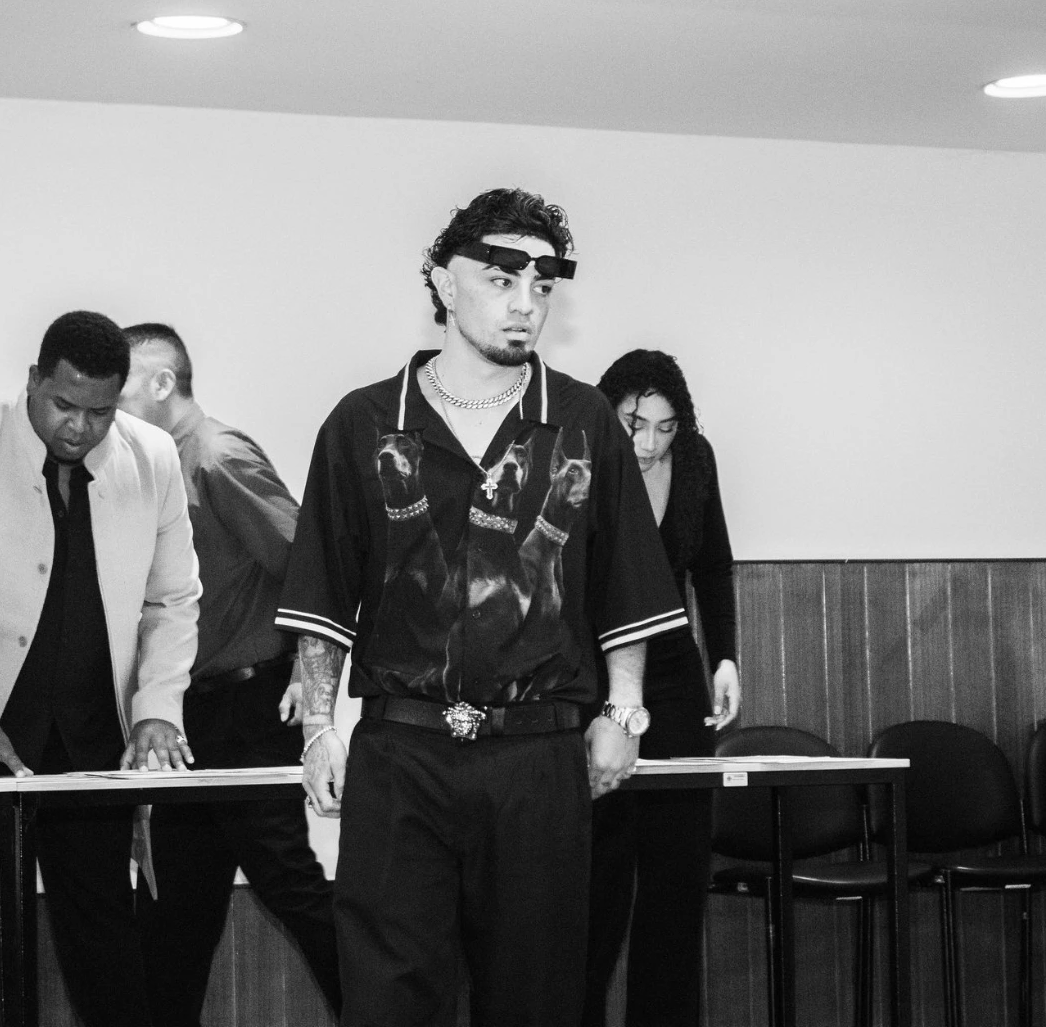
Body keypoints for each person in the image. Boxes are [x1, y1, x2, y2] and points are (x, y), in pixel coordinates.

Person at [276, 188, 690, 1027]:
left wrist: (624, 710)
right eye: (502, 280)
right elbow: (323, 594)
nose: (525, 304)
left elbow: (629, 584)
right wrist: (319, 727)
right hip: (402, 755)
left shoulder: (583, 423)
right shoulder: (363, 423)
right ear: (443, 282)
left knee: (537, 999)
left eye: (542, 287)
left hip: (539, 759)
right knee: (389, 1001)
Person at [0, 310, 201, 1027]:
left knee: (105, 942)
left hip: (93, 742)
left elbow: (173, 598)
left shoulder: (152, 455)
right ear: (33, 380)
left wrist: (158, 707)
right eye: (64, 404)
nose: (80, 427)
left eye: (101, 412)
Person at [117, 322, 342, 1025]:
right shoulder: (156, 465)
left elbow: (310, 565)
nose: (104, 408)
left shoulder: (216, 456)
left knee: (289, 884)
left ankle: (391, 1012)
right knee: (176, 908)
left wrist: (309, 671)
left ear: (162, 383)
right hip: (189, 717)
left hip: (247, 708)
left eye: (119, 388)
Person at [582, 349, 740, 1027]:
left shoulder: (696, 460)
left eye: (665, 428)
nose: (649, 443)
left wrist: (725, 658)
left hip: (675, 670)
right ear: (608, 414)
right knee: (598, 879)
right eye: (635, 424)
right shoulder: (579, 456)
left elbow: (713, 564)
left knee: (677, 875)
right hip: (593, 670)